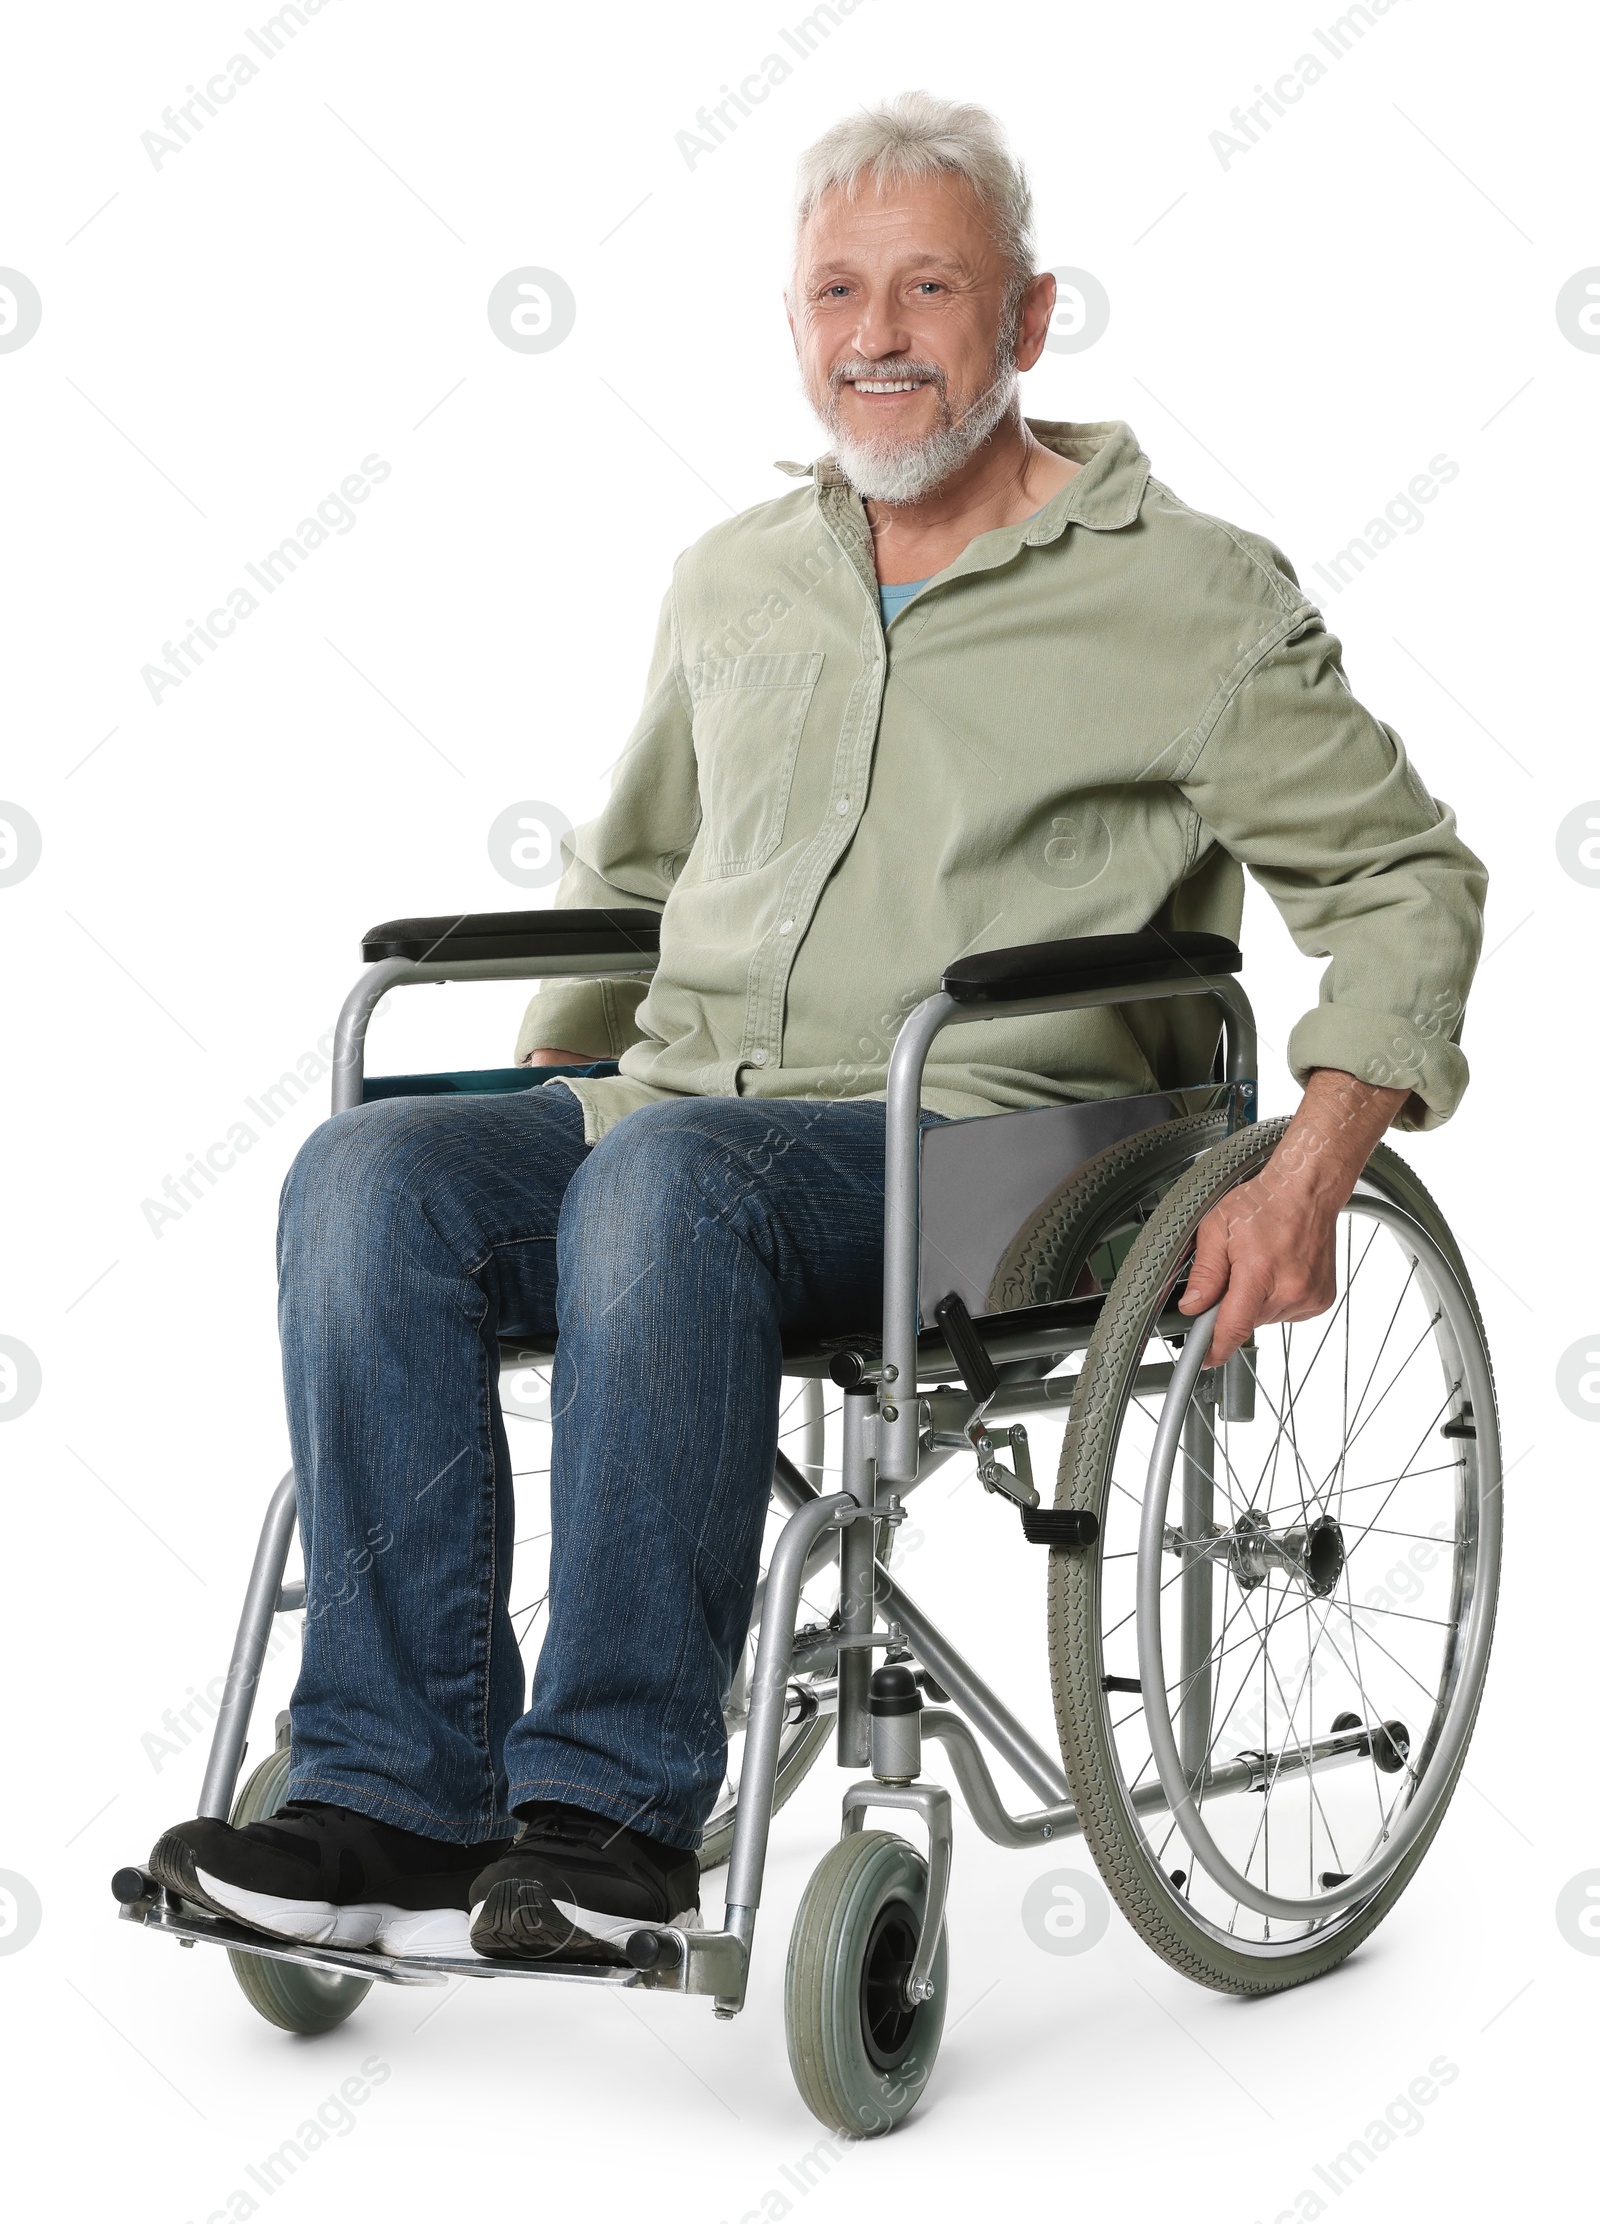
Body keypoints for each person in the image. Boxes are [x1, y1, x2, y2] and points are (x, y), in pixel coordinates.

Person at [151, 91, 1486, 1964]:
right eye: (835, 292)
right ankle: (389, 1788)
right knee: (375, 1176)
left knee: (670, 1188)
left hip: (1010, 1148)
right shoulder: (735, 580)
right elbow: (634, 879)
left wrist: (1309, 1172)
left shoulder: (1190, 596)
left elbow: (1405, 883)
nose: (877, 334)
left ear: (1025, 321)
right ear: (793, 326)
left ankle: (612, 1811)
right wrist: (530, 1119)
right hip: (696, 1108)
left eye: (930, 287)